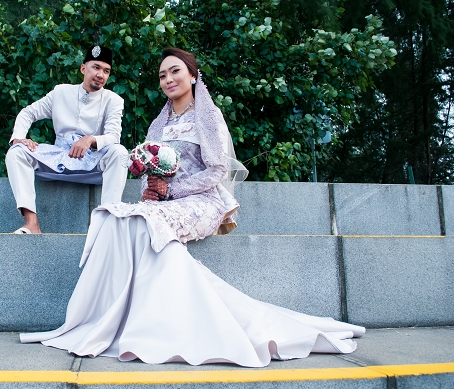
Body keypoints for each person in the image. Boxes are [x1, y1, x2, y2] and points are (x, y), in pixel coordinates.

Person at [19, 48, 365, 366]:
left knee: (144, 224)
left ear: (193, 77)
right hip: (166, 203)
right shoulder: (159, 123)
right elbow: (145, 168)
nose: (168, 80)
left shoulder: (208, 116)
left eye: (175, 72)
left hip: (203, 201)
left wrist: (171, 190)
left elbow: (217, 171)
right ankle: (102, 320)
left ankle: (169, 323)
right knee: (114, 217)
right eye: (162, 76)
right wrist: (151, 192)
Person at [5, 45, 128, 234]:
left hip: (93, 163)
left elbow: (113, 136)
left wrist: (90, 140)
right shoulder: (61, 92)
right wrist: (18, 138)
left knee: (120, 152)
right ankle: (32, 223)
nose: (100, 75)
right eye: (96, 67)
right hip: (59, 158)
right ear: (83, 68)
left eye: (106, 71)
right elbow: (28, 113)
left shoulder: (114, 100)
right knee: (16, 152)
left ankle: (107, 227)